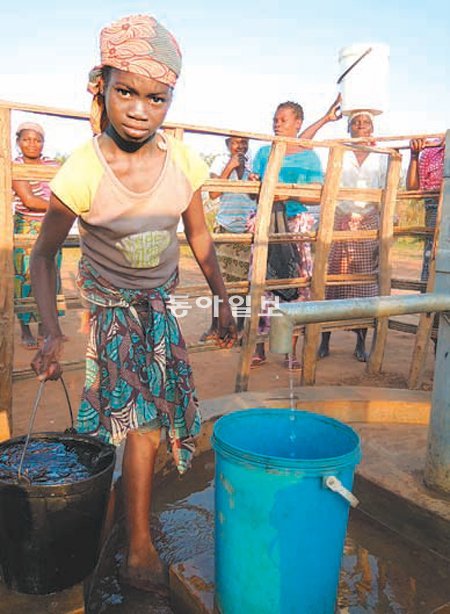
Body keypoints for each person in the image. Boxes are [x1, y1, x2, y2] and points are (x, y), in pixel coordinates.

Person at [30, 14, 236, 594]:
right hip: (112, 314)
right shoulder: (85, 168)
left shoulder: (183, 162)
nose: (140, 109)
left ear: (170, 100)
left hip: (159, 311)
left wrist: (224, 300)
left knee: (145, 425)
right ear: (103, 88)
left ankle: (123, 534)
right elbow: (42, 256)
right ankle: (130, 540)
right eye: (126, 92)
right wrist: (50, 331)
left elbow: (198, 236)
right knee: (129, 426)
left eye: (156, 98)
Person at [250, 101, 326, 369]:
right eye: (275, 119)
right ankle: (258, 347)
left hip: (295, 222)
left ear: (298, 124)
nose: (277, 124)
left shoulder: (309, 156)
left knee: (296, 284)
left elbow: (317, 196)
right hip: (266, 221)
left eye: (283, 120)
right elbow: (252, 190)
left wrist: (288, 193)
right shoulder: (263, 152)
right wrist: (257, 188)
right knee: (261, 281)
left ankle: (290, 351)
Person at [318, 112, 387, 362]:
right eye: (356, 122)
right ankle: (324, 340)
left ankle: (360, 343)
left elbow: (385, 188)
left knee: (364, 282)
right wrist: (345, 213)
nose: (360, 126)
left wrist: (370, 215)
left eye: (365, 122)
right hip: (340, 218)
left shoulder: (383, 155)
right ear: (349, 129)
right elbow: (331, 184)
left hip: (369, 220)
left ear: (372, 128)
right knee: (333, 280)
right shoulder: (339, 152)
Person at [12, 122, 64, 349]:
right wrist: (62, 207)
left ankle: (47, 327)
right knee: (25, 276)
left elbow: (64, 191)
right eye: (26, 139)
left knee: (51, 274)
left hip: (51, 225)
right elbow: (29, 201)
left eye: (37, 140)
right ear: (18, 142)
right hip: (26, 226)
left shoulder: (53, 165)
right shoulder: (15, 167)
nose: (32, 144)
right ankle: (25, 328)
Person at [200, 136, 254, 341]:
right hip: (225, 228)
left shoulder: (252, 166)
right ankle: (216, 326)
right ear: (227, 144)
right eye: (236, 142)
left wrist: (253, 182)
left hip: (246, 231)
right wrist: (229, 168)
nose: (240, 146)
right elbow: (213, 193)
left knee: (243, 284)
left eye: (244, 143)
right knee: (219, 281)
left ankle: (240, 329)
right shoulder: (221, 162)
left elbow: (255, 198)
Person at [406, 137, 444, 281]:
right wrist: (414, 155)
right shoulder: (432, 149)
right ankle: (429, 299)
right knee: (433, 258)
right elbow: (412, 188)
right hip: (435, 210)